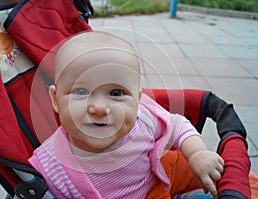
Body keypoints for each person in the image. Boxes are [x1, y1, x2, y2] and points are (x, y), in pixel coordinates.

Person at [28, 31, 224, 198]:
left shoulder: (143, 120)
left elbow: (178, 126)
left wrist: (197, 153)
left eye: (116, 93)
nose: (99, 108)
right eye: (81, 92)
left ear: (137, 100)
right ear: (55, 99)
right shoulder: (50, 164)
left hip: (154, 190)